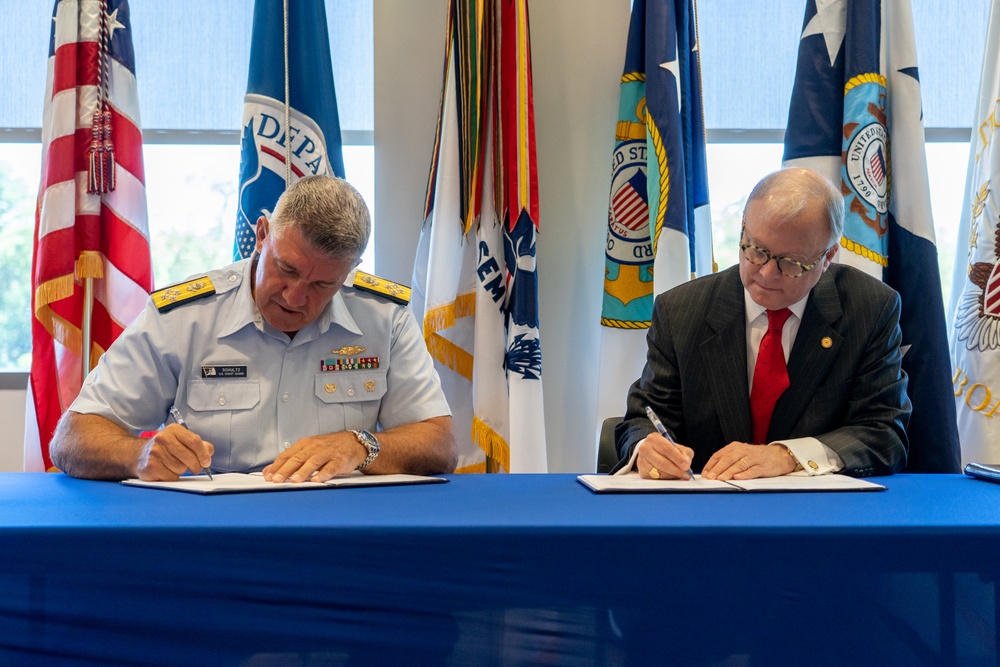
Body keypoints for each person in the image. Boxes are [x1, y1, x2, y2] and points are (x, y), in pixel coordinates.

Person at [51, 175, 458, 482]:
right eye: (287, 269)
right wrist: (136, 456)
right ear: (262, 235)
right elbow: (72, 437)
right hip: (214, 532)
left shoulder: (384, 316)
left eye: (322, 285)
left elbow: (440, 444)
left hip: (339, 531)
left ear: (351, 270)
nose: (296, 298)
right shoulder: (184, 318)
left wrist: (360, 445)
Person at [613, 167, 910, 481]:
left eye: (791, 263)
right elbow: (643, 418)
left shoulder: (869, 309)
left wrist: (787, 456)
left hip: (818, 516)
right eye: (756, 251)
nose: (767, 274)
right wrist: (647, 446)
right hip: (705, 510)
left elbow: (885, 432)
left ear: (827, 257)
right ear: (743, 230)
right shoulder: (682, 311)